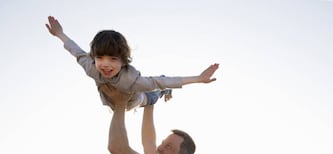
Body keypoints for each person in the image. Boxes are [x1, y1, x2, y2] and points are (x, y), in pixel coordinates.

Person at [45, 16, 219, 110]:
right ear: (94, 57)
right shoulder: (91, 67)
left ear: (123, 61)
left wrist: (197, 78)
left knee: (153, 95)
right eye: (100, 58)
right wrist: (60, 33)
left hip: (136, 100)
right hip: (111, 100)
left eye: (113, 59)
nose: (105, 65)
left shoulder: (132, 79)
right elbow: (76, 51)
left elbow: (159, 81)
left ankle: (164, 93)